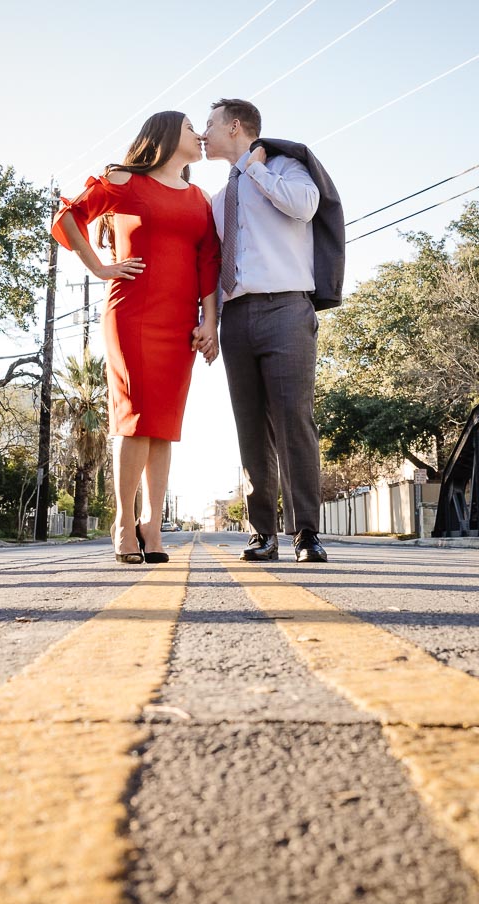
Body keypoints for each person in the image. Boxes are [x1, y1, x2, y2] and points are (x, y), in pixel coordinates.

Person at [52, 111, 221, 564]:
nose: (200, 135)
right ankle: (124, 522)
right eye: (191, 128)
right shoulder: (124, 180)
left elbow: (208, 262)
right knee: (134, 415)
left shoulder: (200, 199)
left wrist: (210, 322)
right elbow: (68, 215)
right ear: (166, 136)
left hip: (181, 320)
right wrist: (99, 267)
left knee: (163, 424)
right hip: (133, 315)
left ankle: (151, 523)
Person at [201, 97, 345, 563]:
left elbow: (306, 207)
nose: (203, 134)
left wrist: (256, 170)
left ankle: (307, 533)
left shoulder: (286, 166)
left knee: (293, 421)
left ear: (236, 126)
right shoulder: (220, 197)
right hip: (236, 317)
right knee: (249, 430)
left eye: (210, 125)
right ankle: (262, 533)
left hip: (286, 308)